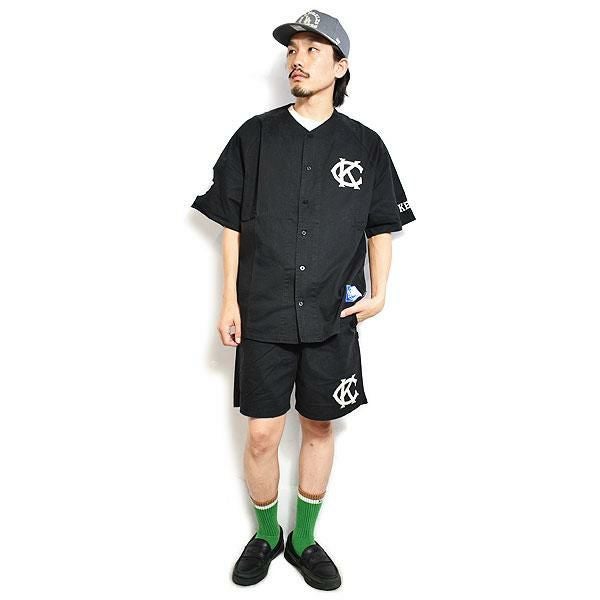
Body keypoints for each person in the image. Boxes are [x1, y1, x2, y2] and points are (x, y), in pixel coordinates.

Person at [191, 9, 416, 590]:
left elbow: (381, 225)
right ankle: (267, 535)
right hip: (263, 310)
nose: (297, 59)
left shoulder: (365, 145)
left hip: (332, 314)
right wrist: (228, 301)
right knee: (262, 434)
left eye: (314, 49)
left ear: (340, 66)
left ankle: (305, 539)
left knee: (319, 427)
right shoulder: (255, 136)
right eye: (292, 49)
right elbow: (231, 223)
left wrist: (380, 293)